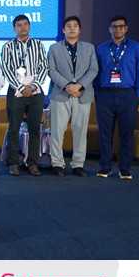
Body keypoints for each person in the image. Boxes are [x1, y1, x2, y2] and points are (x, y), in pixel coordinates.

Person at [94, 15, 139, 180]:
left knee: (126, 134)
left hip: (127, 95)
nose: (118, 29)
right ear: (109, 29)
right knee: (104, 134)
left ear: (126, 29)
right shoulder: (101, 48)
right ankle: (105, 167)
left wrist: (136, 96)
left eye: (121, 26)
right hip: (105, 95)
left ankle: (125, 169)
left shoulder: (136, 48)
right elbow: (95, 72)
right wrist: (98, 93)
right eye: (114, 27)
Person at [47, 16, 99, 177]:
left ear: (80, 29)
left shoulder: (89, 48)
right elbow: (51, 70)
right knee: (57, 131)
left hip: (82, 94)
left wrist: (80, 85)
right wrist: (67, 86)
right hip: (61, 94)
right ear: (63, 30)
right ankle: (57, 164)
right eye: (68, 26)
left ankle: (78, 165)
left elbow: (93, 69)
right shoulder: (54, 48)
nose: (72, 28)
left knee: (80, 131)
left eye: (75, 26)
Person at [1, 14, 49, 176]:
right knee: (14, 128)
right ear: (14, 28)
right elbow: (6, 69)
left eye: (25, 24)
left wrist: (34, 86)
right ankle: (13, 163)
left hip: (35, 92)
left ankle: (33, 163)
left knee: (35, 128)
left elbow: (44, 67)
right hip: (16, 92)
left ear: (29, 26)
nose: (22, 27)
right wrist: (22, 87)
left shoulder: (38, 44)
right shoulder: (8, 46)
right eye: (19, 25)